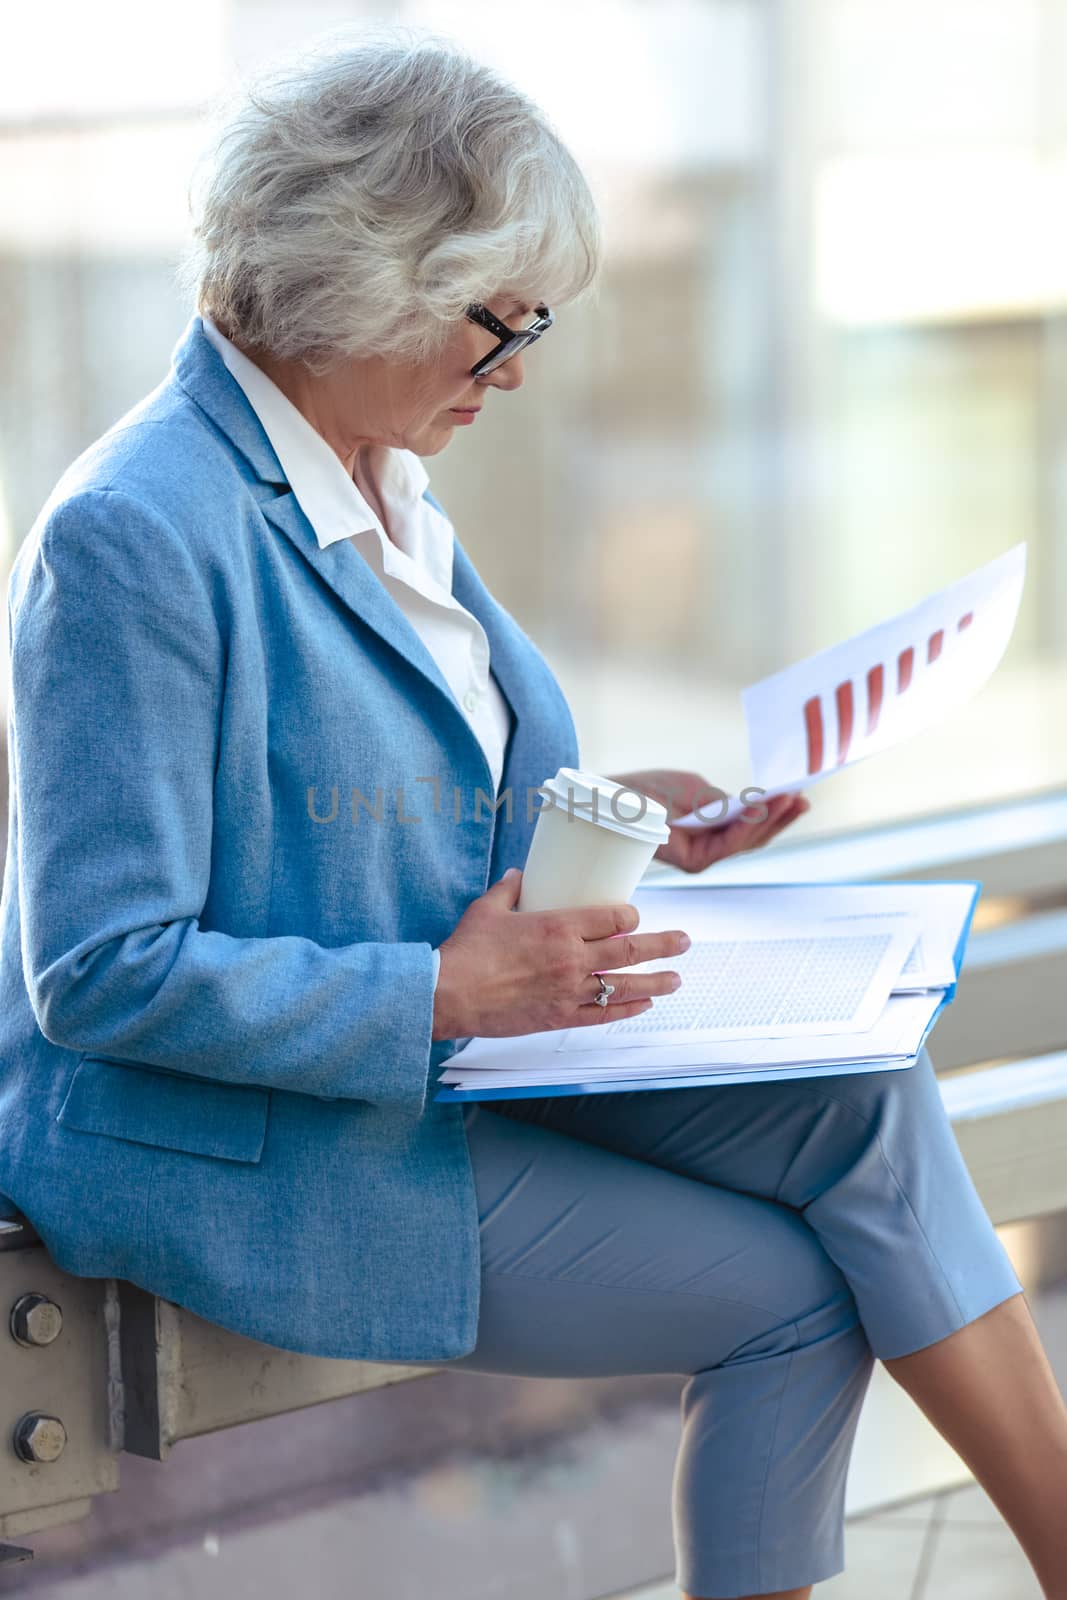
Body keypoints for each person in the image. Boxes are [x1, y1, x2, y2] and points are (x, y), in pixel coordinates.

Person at [1, 29, 1065, 1600]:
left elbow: (400, 805)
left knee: (868, 1098)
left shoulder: (371, 471)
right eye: (502, 325)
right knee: (796, 1294)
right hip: (257, 1133)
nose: (521, 370)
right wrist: (444, 990)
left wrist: (631, 817)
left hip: (457, 1052)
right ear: (361, 281)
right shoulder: (134, 539)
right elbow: (98, 968)